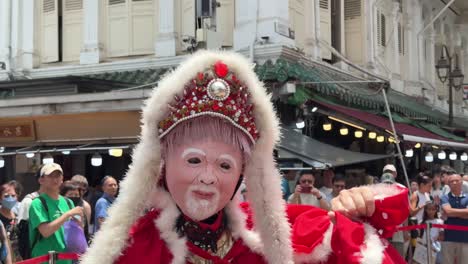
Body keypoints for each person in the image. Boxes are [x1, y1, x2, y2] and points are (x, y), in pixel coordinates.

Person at [81, 51, 409, 264]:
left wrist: (367, 202)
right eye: (194, 160)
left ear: (242, 174)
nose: (208, 177)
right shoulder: (134, 249)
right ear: (161, 165)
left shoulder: (264, 233)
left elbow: (359, 239)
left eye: (224, 165)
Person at [28, 163, 83, 264]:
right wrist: (67, 215)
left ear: (62, 179)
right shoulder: (37, 203)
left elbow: (76, 230)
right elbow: (45, 231)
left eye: (58, 176)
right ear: (41, 180)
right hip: (45, 259)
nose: (55, 179)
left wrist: (79, 223)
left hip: (66, 259)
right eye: (50, 176)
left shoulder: (68, 202)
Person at [440, 173, 468, 264]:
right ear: (448, 184)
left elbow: (449, 212)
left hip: (465, 238)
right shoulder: (444, 197)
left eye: (457, 180)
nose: (455, 183)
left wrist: (451, 213)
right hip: (449, 237)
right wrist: (464, 213)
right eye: (452, 181)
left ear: (462, 182)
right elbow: (448, 211)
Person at [0, 181, 23, 262]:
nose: (10, 199)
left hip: (18, 257)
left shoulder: (18, 214)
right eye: (6, 196)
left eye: (13, 196)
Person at [70, 175, 92, 240]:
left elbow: (85, 228)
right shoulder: (62, 201)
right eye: (78, 189)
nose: (80, 192)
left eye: (83, 190)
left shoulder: (85, 205)